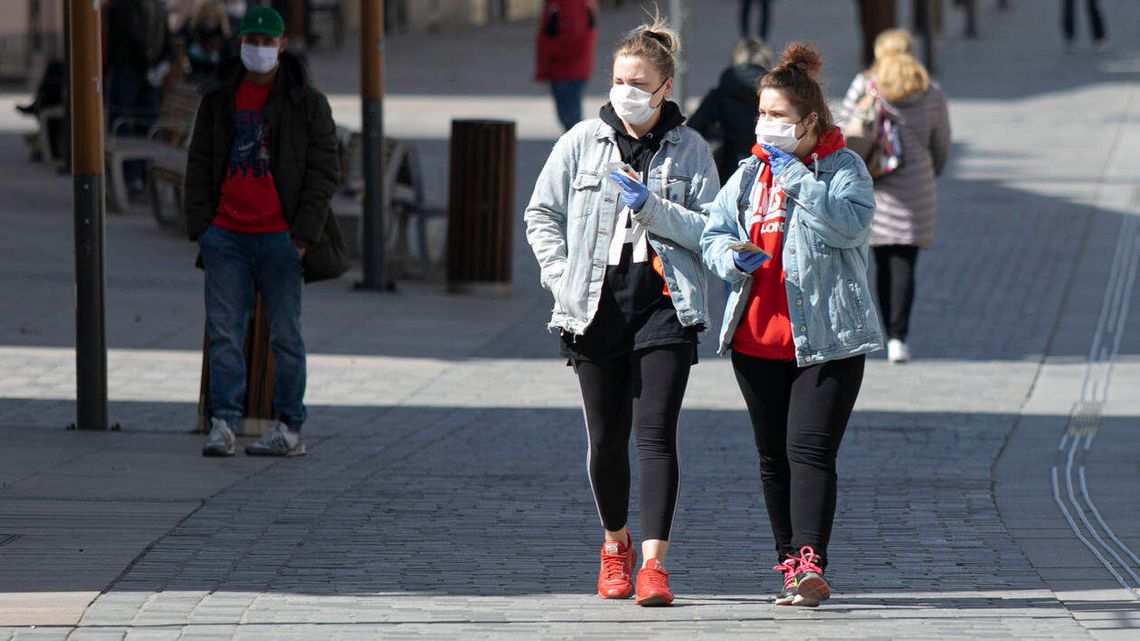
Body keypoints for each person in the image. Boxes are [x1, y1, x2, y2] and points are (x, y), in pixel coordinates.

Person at [525, 14, 719, 607]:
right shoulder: (582, 142)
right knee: (606, 440)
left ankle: (655, 565)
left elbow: (714, 230)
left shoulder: (691, 150)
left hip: (664, 306)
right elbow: (541, 214)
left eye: (638, 83)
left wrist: (656, 209)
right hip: (594, 307)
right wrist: (560, 278)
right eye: (617, 81)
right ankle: (616, 544)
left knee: (655, 436)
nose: (625, 93)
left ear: (665, 88)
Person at [700, 43, 881, 607]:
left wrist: (797, 179)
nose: (766, 126)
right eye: (762, 114)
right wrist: (731, 258)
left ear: (809, 121)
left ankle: (810, 563)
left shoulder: (843, 168)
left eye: (778, 117)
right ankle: (787, 564)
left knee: (809, 452)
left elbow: (849, 228)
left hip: (828, 340)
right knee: (772, 458)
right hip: (757, 340)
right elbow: (712, 233)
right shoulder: (749, 174)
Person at [185, 6, 341, 458]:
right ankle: (223, 423)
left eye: (265, 42)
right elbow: (199, 163)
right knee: (223, 332)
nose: (257, 50)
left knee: (285, 335)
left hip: (281, 237)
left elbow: (325, 168)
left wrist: (302, 234)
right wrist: (203, 227)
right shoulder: (220, 97)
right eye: (250, 42)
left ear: (282, 46)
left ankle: (290, 427)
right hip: (226, 236)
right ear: (240, 44)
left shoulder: (304, 100)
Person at [841, 29, 950, 363]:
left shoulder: (866, 85)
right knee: (905, 262)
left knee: (880, 262)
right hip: (916, 189)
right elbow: (941, 141)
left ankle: (880, 328)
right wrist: (934, 170)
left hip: (875, 183)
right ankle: (898, 336)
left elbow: (844, 126)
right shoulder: (930, 91)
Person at [105, 0, 173, 197]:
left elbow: (131, 36)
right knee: (145, 122)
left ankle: (132, 177)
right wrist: (157, 65)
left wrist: (148, 64)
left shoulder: (126, 6)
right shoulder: (159, 6)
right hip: (150, 72)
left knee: (123, 120)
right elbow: (167, 41)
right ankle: (143, 176)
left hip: (130, 70)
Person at [688, 38, 772, 184]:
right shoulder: (773, 94)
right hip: (767, 170)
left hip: (727, 170)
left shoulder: (721, 93)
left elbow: (693, 129)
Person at [535, 0, 598, 131]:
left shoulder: (569, 3)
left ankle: (578, 150)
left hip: (566, 69)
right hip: (568, 68)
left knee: (571, 121)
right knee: (570, 118)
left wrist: (552, 55)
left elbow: (574, 35)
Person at [180, 0, 239, 81]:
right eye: (207, 18)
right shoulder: (191, 30)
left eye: (213, 18)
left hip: (215, 79)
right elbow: (178, 45)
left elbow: (230, 61)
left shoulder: (226, 37)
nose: (210, 21)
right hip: (191, 76)